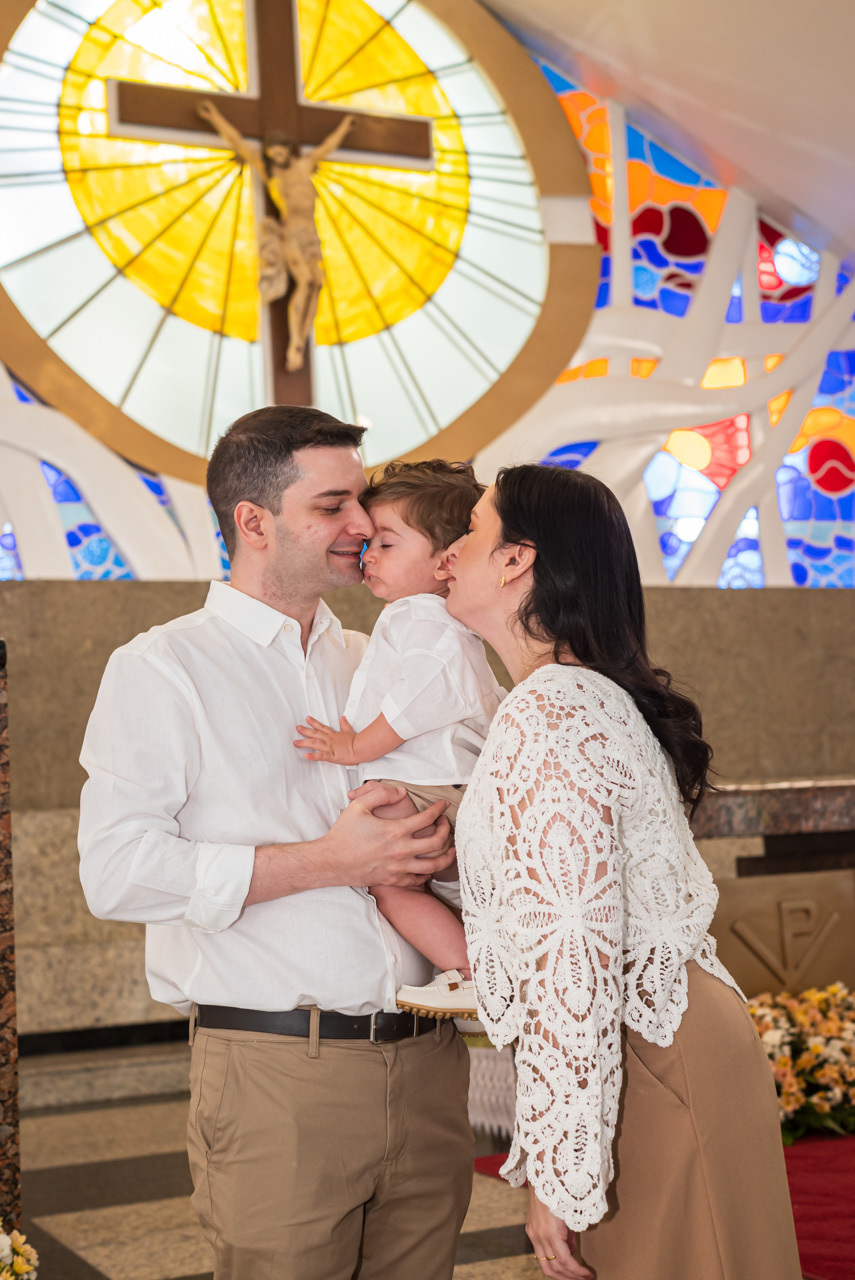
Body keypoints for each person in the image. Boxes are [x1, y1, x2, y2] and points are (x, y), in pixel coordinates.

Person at [77, 407, 474, 1280]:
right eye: (333, 504)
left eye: (363, 502)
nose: (363, 525)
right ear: (253, 521)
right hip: (276, 1073)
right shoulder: (162, 668)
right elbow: (115, 874)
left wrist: (445, 836)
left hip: (430, 1064)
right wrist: (329, 863)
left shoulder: (380, 657)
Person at [446, 464, 803, 1280]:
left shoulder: (549, 709)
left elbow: (576, 948)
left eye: (471, 529)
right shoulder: (577, 696)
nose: (450, 551)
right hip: (663, 1038)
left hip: (646, 1051)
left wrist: (558, 1172)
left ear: (515, 561)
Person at [295, 460, 505, 1020]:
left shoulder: (425, 618)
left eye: (386, 543)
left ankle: (472, 974)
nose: (369, 555)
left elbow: (423, 696)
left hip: (430, 784)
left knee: (392, 886)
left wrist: (354, 748)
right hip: (430, 781)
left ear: (447, 561)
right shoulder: (413, 615)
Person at [197, 100, 354, 371]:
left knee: (316, 285)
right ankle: (295, 343)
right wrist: (214, 118)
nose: (278, 159)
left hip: (310, 236)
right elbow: (238, 144)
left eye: (281, 154)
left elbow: (328, 146)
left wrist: (345, 126)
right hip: (290, 234)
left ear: (288, 150)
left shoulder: (305, 165)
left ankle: (301, 340)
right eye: (274, 156)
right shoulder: (271, 174)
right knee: (304, 282)